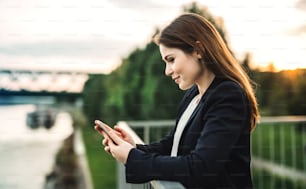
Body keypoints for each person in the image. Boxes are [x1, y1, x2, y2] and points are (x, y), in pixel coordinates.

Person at [95, 13, 259, 189]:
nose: (167, 71)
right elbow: (172, 144)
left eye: (171, 60)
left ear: (198, 50)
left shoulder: (228, 95)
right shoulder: (194, 94)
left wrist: (133, 158)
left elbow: (201, 167)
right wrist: (134, 148)